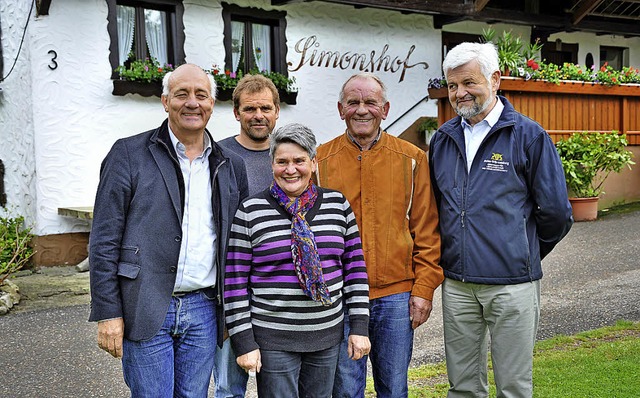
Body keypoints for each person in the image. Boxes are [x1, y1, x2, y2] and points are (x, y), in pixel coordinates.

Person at [89, 63, 249, 397]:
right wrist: (108, 312)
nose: (192, 102)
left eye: (201, 95)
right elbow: (104, 239)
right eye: (182, 94)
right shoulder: (129, 154)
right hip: (146, 305)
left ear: (211, 104)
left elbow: (238, 244)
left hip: (205, 308)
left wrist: (234, 312)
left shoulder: (230, 164)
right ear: (165, 101)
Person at [429, 42, 573, 397]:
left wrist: (522, 251)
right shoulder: (443, 141)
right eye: (452, 86)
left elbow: (556, 213)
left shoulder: (528, 136)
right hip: (458, 286)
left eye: (469, 83)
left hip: (512, 286)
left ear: (494, 79)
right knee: (462, 387)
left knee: (513, 386)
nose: (460, 93)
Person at [315, 72, 444, 398]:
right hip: (340, 297)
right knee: (345, 390)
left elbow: (426, 229)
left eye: (370, 102)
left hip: (396, 296)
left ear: (384, 109)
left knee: (394, 388)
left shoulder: (412, 160)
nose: (362, 110)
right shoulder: (320, 161)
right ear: (340, 109)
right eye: (353, 102)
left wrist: (424, 288)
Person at [224, 123, 371, 398]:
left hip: (326, 336)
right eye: (282, 162)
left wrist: (359, 327)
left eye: (299, 161)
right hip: (273, 339)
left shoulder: (338, 205)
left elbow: (355, 272)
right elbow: (234, 283)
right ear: (272, 165)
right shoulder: (250, 211)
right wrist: (244, 341)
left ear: (313, 163)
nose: (290, 169)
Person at [214, 74, 280, 397]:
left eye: (265, 108)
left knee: (279, 386)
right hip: (232, 293)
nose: (258, 115)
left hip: (276, 297)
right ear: (236, 112)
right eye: (250, 108)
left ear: (277, 111)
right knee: (228, 387)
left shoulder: (287, 158)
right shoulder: (218, 156)